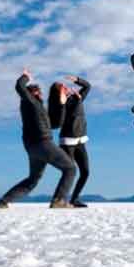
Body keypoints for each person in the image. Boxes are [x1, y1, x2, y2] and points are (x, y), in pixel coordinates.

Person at [0, 69, 77, 209]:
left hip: (34, 148)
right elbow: (20, 86)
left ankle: (3, 202)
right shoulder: (29, 102)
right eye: (37, 91)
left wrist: (62, 104)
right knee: (70, 168)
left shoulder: (38, 108)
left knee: (32, 179)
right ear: (32, 93)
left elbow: (55, 125)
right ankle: (59, 200)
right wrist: (26, 77)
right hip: (43, 143)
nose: (40, 94)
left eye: (40, 92)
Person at [48, 75, 91, 208]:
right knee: (69, 171)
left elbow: (88, 86)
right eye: (62, 87)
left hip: (80, 140)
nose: (66, 88)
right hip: (67, 142)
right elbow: (56, 124)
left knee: (85, 172)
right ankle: (59, 199)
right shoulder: (57, 105)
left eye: (65, 86)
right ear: (58, 93)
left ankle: (74, 199)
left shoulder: (75, 97)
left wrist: (77, 80)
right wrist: (62, 104)